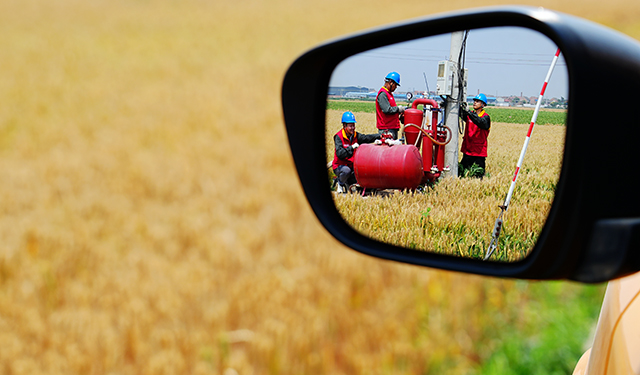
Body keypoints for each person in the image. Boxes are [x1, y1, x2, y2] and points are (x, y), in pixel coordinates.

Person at [332, 111, 381, 193]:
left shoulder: (355, 135)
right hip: (340, 166)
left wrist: (379, 136)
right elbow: (340, 154)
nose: (353, 128)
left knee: (362, 183)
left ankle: (348, 182)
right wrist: (351, 147)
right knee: (346, 171)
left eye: (353, 125)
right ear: (344, 126)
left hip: (352, 166)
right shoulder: (339, 137)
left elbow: (366, 138)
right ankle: (340, 183)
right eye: (350, 126)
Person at [459, 93, 491, 178]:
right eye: (474, 101)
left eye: (477, 101)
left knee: (479, 174)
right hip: (468, 149)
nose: (474, 103)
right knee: (462, 172)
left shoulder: (486, 118)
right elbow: (460, 113)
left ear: (483, 105)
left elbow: (479, 122)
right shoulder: (470, 115)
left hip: (479, 152)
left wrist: (469, 112)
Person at [375, 71, 405, 140]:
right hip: (386, 129)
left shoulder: (389, 94)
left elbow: (391, 110)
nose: (396, 87)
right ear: (391, 82)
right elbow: (386, 109)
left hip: (392, 128)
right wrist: (398, 109)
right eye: (395, 85)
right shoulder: (383, 94)